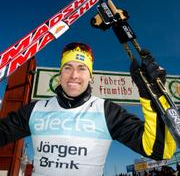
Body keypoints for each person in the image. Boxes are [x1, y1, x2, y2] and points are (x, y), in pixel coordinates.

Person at [0, 42, 176, 176]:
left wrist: (153, 97)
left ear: (90, 77)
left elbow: (159, 150)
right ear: (60, 74)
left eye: (82, 69)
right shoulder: (35, 110)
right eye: (68, 68)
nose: (74, 75)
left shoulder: (107, 112)